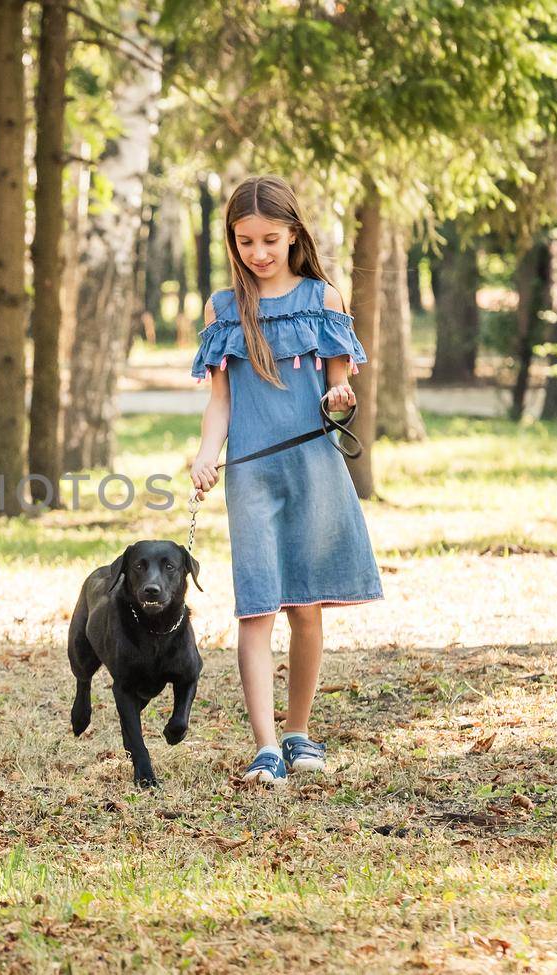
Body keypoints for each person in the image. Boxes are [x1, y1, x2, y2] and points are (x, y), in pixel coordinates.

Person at [188, 175, 384, 787]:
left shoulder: (324, 299)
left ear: (294, 233)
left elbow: (338, 394)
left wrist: (340, 396)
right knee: (257, 607)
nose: (259, 253)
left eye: (270, 239)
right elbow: (221, 399)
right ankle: (266, 747)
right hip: (250, 475)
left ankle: (298, 731)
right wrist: (205, 452)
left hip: (313, 471)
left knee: (305, 606)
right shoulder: (224, 309)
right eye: (245, 242)